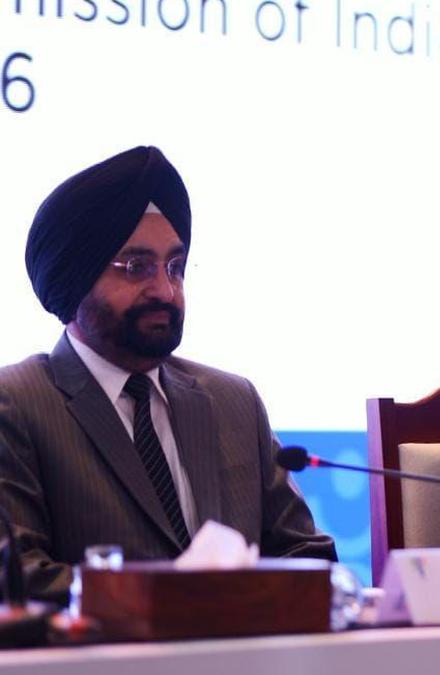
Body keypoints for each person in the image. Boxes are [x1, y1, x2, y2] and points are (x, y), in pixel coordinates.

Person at [0, 146, 336, 602]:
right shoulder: (17, 404)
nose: (165, 290)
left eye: (175, 267)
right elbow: (19, 578)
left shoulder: (233, 401)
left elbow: (307, 556)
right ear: (74, 279)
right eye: (136, 267)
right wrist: (177, 601)